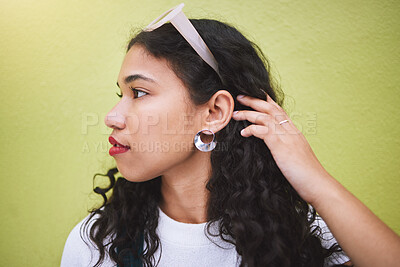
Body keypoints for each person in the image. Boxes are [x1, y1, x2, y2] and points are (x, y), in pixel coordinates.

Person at [60, 3, 400, 267]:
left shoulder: (304, 238)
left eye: (140, 93)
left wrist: (316, 182)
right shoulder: (96, 245)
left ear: (214, 113)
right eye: (122, 95)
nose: (112, 117)